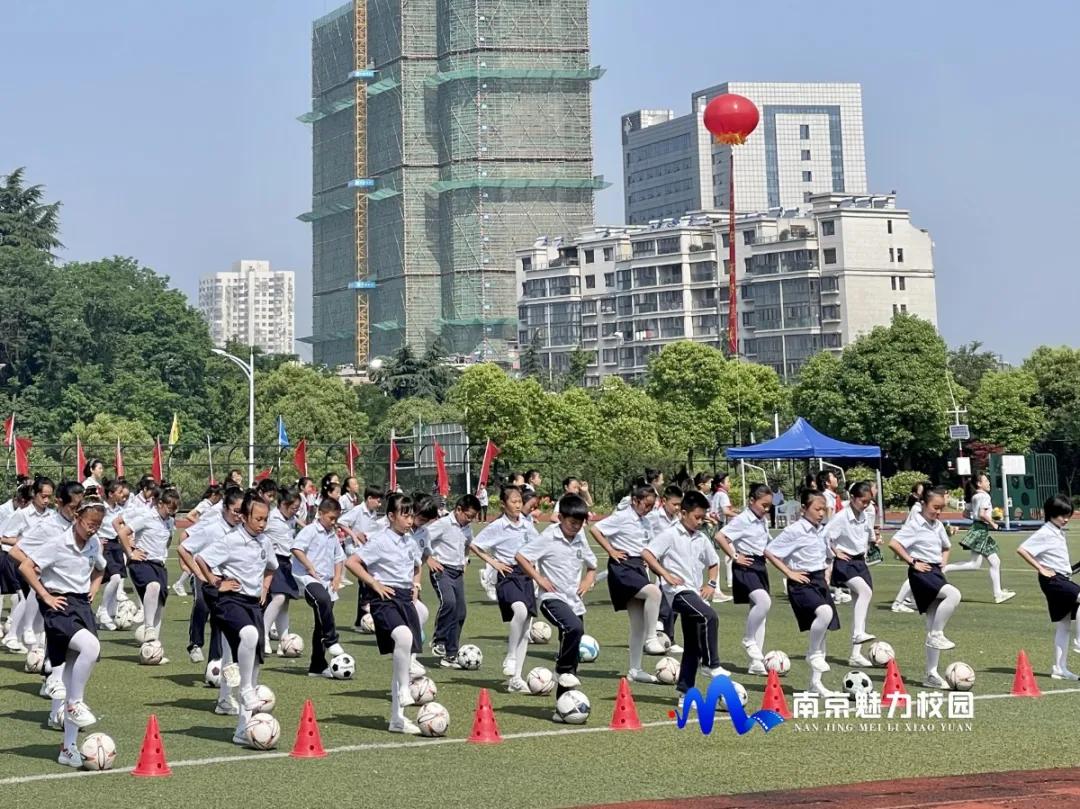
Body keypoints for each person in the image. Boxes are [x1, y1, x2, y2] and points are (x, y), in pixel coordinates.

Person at [18, 498, 107, 768]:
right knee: (91, 647)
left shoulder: (94, 543)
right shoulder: (58, 543)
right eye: (90, 523)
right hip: (59, 607)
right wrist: (45, 595)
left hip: (81, 606)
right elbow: (25, 566)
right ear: (77, 518)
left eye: (98, 525)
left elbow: (100, 567)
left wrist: (93, 589)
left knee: (71, 672)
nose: (93, 529)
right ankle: (74, 703)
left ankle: (68, 748)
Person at [194, 494, 277, 745]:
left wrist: (264, 588)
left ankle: (242, 730)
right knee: (249, 634)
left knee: (255, 666)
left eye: (265, 519)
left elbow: (271, 567)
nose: (262, 524)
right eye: (258, 519)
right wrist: (216, 582)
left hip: (253, 604)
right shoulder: (231, 540)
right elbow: (201, 559)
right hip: (230, 601)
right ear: (244, 517)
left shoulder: (265, 542)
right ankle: (244, 689)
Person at [345, 492, 426, 734]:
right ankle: (404, 689)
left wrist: (416, 585)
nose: (409, 520)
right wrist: (374, 583)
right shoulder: (380, 540)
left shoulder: (410, 542)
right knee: (403, 637)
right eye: (405, 515)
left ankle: (397, 720)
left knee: (404, 651)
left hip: (405, 598)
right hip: (385, 600)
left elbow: (417, 566)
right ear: (391, 516)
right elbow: (352, 562)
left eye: (411, 516)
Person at [642, 489, 728, 705]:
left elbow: (714, 562)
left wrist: (711, 583)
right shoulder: (670, 534)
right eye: (696, 517)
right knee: (709, 616)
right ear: (683, 513)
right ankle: (710, 664)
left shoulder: (701, 538)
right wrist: (665, 575)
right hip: (677, 593)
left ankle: (685, 692)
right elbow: (648, 554)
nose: (699, 522)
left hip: (695, 593)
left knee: (693, 645)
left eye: (702, 518)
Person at [516, 493, 597, 711]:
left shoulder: (579, 537)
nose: (576, 527)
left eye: (580, 524)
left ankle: (564, 706)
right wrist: (539, 578)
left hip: (574, 601)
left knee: (573, 652)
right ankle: (560, 670)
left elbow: (592, 566)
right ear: (560, 518)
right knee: (574, 628)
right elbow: (521, 557)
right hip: (551, 598)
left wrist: (587, 581)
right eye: (572, 523)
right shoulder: (549, 536)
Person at [590, 480, 667, 684]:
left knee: (637, 624)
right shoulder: (622, 516)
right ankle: (652, 638)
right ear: (635, 501)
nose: (649, 509)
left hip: (638, 567)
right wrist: (611, 550)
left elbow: (645, 545)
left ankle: (635, 669)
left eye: (652, 506)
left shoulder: (646, 521)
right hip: (623, 567)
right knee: (654, 593)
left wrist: (648, 559)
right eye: (646, 504)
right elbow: (595, 529)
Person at [765, 490, 840, 697]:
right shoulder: (795, 530)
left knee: (823, 631)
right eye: (817, 509)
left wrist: (827, 571)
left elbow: (826, 554)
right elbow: (770, 551)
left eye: (823, 509)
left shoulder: (821, 530)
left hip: (819, 580)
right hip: (802, 582)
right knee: (825, 612)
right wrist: (789, 573)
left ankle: (816, 684)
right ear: (804, 509)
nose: (821, 513)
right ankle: (812, 654)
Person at [888, 486, 962, 689]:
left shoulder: (937, 525)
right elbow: (894, 543)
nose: (938, 512)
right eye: (935, 507)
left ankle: (931, 674)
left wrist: (943, 563)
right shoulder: (915, 524)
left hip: (935, 571)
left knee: (932, 621)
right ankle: (937, 634)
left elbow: (946, 546)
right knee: (953, 594)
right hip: (921, 573)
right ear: (923, 504)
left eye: (941, 508)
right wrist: (912, 562)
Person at [469, 485, 540, 692]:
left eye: (520, 501)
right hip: (507, 575)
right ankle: (510, 655)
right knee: (520, 611)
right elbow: (475, 545)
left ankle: (516, 679)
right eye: (513, 501)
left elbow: (538, 545)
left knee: (526, 629)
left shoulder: (526, 524)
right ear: (503, 504)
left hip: (526, 576)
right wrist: (494, 562)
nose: (518, 505)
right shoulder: (498, 526)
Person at [177, 488, 244, 668]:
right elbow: (184, 543)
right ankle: (195, 643)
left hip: (228, 580)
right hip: (206, 575)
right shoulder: (211, 525)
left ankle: (216, 664)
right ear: (225, 508)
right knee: (202, 604)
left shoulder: (243, 530)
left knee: (220, 620)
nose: (239, 516)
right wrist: (197, 573)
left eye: (243, 512)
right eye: (236, 511)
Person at [713, 483, 774, 675]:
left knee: (761, 613)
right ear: (752, 501)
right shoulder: (743, 519)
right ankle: (748, 639)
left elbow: (765, 542)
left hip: (759, 565)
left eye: (769, 506)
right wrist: (734, 556)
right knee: (763, 602)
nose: (766, 509)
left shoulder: (762, 520)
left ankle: (756, 661)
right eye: (763, 505)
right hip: (745, 566)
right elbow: (720, 536)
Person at [1017, 495, 1079, 679]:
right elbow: (1022, 549)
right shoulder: (1046, 532)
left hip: (1062, 578)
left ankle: (1059, 668)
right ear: (1051, 514)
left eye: (1068, 515)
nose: (1065, 519)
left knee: (1064, 624)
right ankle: (1079, 642)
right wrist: (1040, 568)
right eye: (1062, 515)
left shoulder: (1058, 531)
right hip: (1053, 580)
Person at [291, 497, 349, 677]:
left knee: (321, 621)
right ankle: (331, 640)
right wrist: (309, 566)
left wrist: (337, 578)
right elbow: (296, 549)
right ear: (320, 513)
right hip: (308, 579)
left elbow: (339, 558)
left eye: (336, 519)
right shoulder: (310, 530)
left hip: (327, 582)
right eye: (331, 518)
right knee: (322, 601)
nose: (333, 522)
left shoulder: (333, 534)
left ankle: (317, 665)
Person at [122, 488, 181, 661]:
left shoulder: (170, 522)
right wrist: (131, 553)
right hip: (141, 563)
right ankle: (148, 627)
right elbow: (123, 532)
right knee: (153, 586)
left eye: (175, 509)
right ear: (160, 503)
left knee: (159, 607)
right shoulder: (146, 517)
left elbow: (167, 541)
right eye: (169, 508)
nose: (171, 512)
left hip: (159, 565)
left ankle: (153, 648)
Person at [824, 481, 878, 667]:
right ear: (853, 498)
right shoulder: (841, 517)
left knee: (859, 604)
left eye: (869, 502)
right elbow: (825, 536)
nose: (866, 505)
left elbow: (868, 535)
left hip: (860, 562)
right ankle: (858, 634)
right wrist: (835, 552)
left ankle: (855, 654)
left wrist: (874, 541)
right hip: (845, 563)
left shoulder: (865, 515)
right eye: (863, 501)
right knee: (865, 592)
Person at [425, 494, 480, 668]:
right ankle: (438, 640)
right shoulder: (443, 524)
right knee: (449, 602)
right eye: (468, 516)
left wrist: (465, 561)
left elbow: (468, 545)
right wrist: (429, 559)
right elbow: (421, 540)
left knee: (460, 612)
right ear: (458, 510)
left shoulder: (467, 528)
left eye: (473, 517)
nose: (470, 520)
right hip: (441, 570)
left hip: (457, 573)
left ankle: (450, 654)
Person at [1, 476, 55, 652]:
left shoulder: (53, 515)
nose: (46, 500)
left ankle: (33, 646)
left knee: (38, 602)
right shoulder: (22, 514)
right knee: (30, 595)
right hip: (23, 561)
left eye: (49, 497)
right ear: (35, 494)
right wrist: (25, 541)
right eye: (43, 496)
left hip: (45, 564)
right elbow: (4, 537)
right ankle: (22, 631)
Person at [942, 473, 1015, 604]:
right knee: (992, 562)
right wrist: (993, 523)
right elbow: (982, 514)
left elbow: (966, 513)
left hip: (977, 528)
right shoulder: (985, 496)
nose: (988, 483)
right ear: (979, 484)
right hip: (981, 530)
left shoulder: (974, 496)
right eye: (986, 480)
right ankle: (998, 594)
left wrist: (979, 517)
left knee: (978, 563)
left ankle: (945, 569)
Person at [261, 488, 303, 654]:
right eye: (293, 507)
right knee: (279, 597)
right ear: (283, 504)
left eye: (297, 508)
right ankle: (263, 636)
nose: (295, 511)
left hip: (286, 562)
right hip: (273, 562)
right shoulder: (271, 518)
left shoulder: (291, 519)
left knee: (284, 603)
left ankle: (284, 641)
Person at [338, 485, 385, 629]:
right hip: (355, 551)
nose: (379, 504)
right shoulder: (358, 510)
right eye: (377, 500)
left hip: (366, 551)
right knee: (366, 583)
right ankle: (365, 613)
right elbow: (341, 521)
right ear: (369, 498)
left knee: (365, 584)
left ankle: (360, 620)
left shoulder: (372, 512)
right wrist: (353, 535)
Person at [649, 484, 684, 653]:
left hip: (674, 563)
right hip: (657, 563)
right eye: (674, 504)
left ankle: (666, 636)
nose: (677, 508)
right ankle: (660, 634)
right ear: (664, 501)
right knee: (664, 600)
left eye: (679, 504)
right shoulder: (654, 517)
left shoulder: (679, 519)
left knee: (674, 600)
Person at [891, 480, 935, 613]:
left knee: (919, 573)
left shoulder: (920, 507)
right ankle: (899, 602)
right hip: (913, 545)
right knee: (917, 574)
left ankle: (908, 599)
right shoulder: (917, 508)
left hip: (914, 544)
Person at [94, 480, 132, 630]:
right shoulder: (101, 508)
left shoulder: (119, 510)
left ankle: (108, 615)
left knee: (117, 580)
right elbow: (91, 525)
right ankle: (102, 610)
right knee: (114, 578)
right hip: (105, 546)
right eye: (119, 492)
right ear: (110, 494)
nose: (123, 495)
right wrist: (97, 539)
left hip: (117, 545)